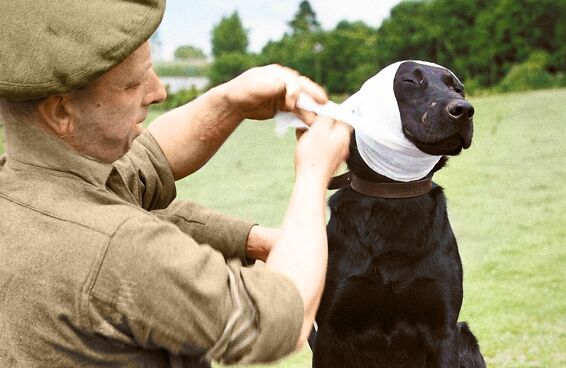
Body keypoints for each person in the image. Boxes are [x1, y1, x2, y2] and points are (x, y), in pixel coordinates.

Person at [0, 0, 351, 366]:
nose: (157, 92)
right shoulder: (117, 248)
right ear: (60, 111)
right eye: (133, 84)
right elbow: (279, 315)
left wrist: (231, 101)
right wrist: (313, 171)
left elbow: (148, 161)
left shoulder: (25, 190)